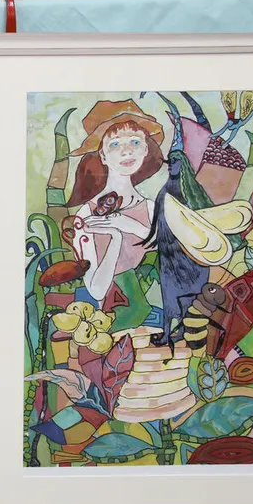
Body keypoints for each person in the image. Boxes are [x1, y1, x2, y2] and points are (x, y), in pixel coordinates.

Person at [65, 100, 165, 331]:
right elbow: (96, 290)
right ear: (102, 155)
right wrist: (115, 236)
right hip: (112, 325)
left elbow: (171, 257)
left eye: (135, 142)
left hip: (161, 321)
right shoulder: (86, 215)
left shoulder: (152, 209)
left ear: (146, 149)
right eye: (115, 144)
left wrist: (130, 225)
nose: (126, 151)